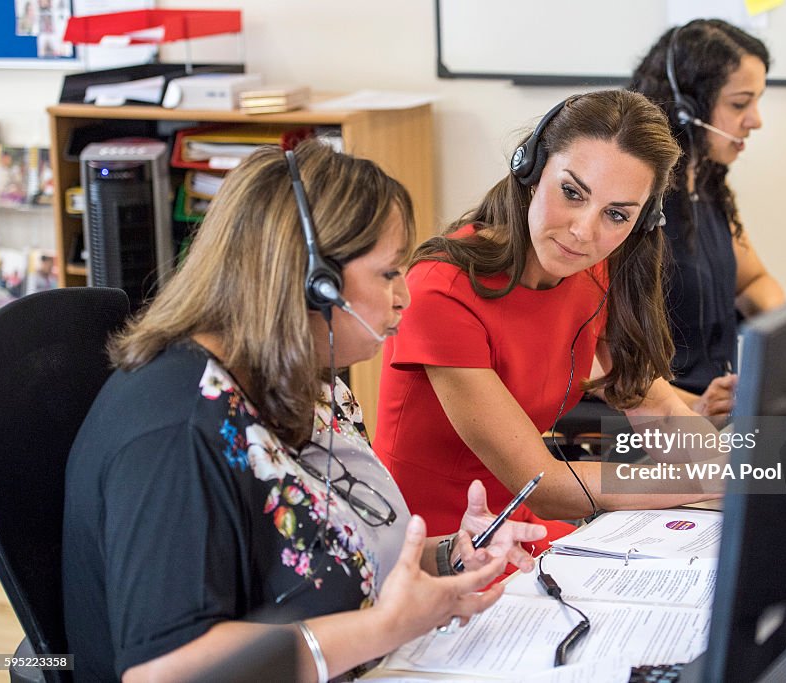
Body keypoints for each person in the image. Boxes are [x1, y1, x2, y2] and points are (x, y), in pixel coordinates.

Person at [61, 139, 545, 682]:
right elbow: (164, 672)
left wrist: (449, 558)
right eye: (388, 274)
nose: (405, 297)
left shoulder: (301, 381)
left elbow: (320, 563)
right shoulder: (177, 431)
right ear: (314, 282)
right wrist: (386, 628)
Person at [375, 90, 721, 547]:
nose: (584, 231)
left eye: (616, 214)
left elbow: (655, 405)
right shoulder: (441, 290)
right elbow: (546, 487)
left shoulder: (593, 269)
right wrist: (698, 482)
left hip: (522, 534)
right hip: (438, 549)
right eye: (572, 192)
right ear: (532, 171)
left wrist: (730, 473)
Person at [629, 19, 785, 418]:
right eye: (739, 104)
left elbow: (753, 281)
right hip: (659, 420)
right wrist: (692, 407)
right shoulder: (632, 199)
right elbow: (604, 362)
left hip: (720, 403)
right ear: (687, 109)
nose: (756, 120)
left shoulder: (706, 180)